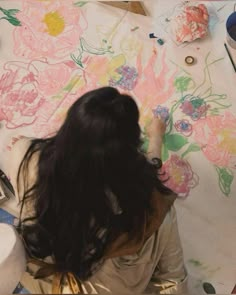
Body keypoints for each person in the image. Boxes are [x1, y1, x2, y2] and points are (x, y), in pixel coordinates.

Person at [6, 86, 187, 294]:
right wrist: (155, 139)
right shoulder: (151, 209)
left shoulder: (26, 156)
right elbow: (174, 281)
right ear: (131, 153)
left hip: (40, 274)